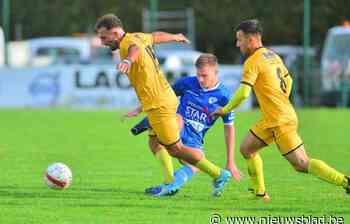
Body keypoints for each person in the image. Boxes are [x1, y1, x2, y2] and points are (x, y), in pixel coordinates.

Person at [212, 19, 350, 202]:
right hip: (273, 117)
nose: (237, 44)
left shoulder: (252, 61)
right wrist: (279, 99)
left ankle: (345, 182)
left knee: (301, 163)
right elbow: (289, 80)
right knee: (247, 149)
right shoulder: (272, 55)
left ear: (251, 39)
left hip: (279, 120)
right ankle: (260, 194)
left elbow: (244, 93)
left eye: (240, 39)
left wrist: (225, 109)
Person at [95, 14, 232, 196]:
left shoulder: (129, 44)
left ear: (115, 32)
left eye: (104, 37)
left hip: (160, 104)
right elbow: (155, 36)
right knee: (154, 142)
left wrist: (128, 60)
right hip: (161, 100)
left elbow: (134, 50)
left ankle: (219, 174)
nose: (102, 42)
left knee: (176, 149)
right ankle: (169, 182)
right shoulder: (137, 36)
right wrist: (175, 37)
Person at [126, 54, 241, 196]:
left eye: (204, 76)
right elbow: (162, 97)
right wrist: (139, 109)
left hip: (195, 138)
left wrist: (230, 161)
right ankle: (169, 182)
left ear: (216, 72)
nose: (200, 79)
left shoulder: (225, 97)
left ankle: (209, 176)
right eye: (198, 75)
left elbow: (229, 128)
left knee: (192, 164)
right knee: (157, 139)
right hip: (177, 124)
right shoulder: (187, 83)